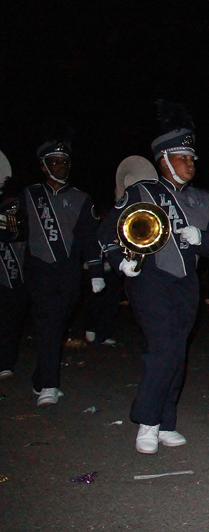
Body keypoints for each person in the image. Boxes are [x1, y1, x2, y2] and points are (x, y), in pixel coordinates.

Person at [98, 101, 209, 453]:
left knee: (178, 352)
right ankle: (147, 420)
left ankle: (166, 420)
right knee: (163, 349)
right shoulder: (142, 192)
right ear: (164, 160)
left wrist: (205, 241)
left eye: (192, 158)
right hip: (149, 279)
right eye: (184, 158)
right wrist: (118, 261)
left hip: (187, 283)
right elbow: (107, 229)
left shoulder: (205, 199)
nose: (191, 164)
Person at [19, 123, 104, 406]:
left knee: (58, 324)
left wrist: (94, 271)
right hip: (38, 269)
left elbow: (88, 238)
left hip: (68, 271)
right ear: (44, 166)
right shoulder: (29, 196)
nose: (61, 166)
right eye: (55, 161)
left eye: (65, 162)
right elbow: (15, 231)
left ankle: (39, 378)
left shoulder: (81, 198)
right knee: (47, 323)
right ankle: (49, 387)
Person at [0, 151, 28, 381]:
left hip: (13, 270)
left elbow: (16, 232)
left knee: (10, 319)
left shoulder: (14, 203)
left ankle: (5, 361)